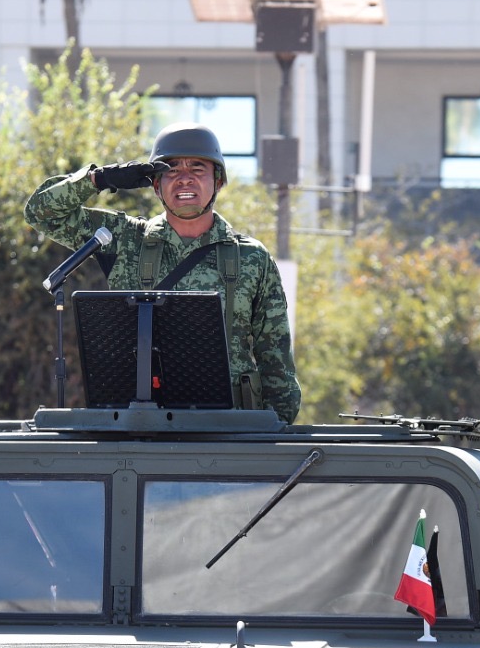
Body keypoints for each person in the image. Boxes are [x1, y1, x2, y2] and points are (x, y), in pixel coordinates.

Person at [23, 122, 301, 423]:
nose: (184, 180)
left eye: (197, 169)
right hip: (141, 428)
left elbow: (277, 364)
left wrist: (272, 443)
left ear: (218, 182)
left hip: (227, 431)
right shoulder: (126, 240)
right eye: (171, 170)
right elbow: (40, 213)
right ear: (155, 184)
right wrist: (98, 179)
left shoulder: (252, 258)